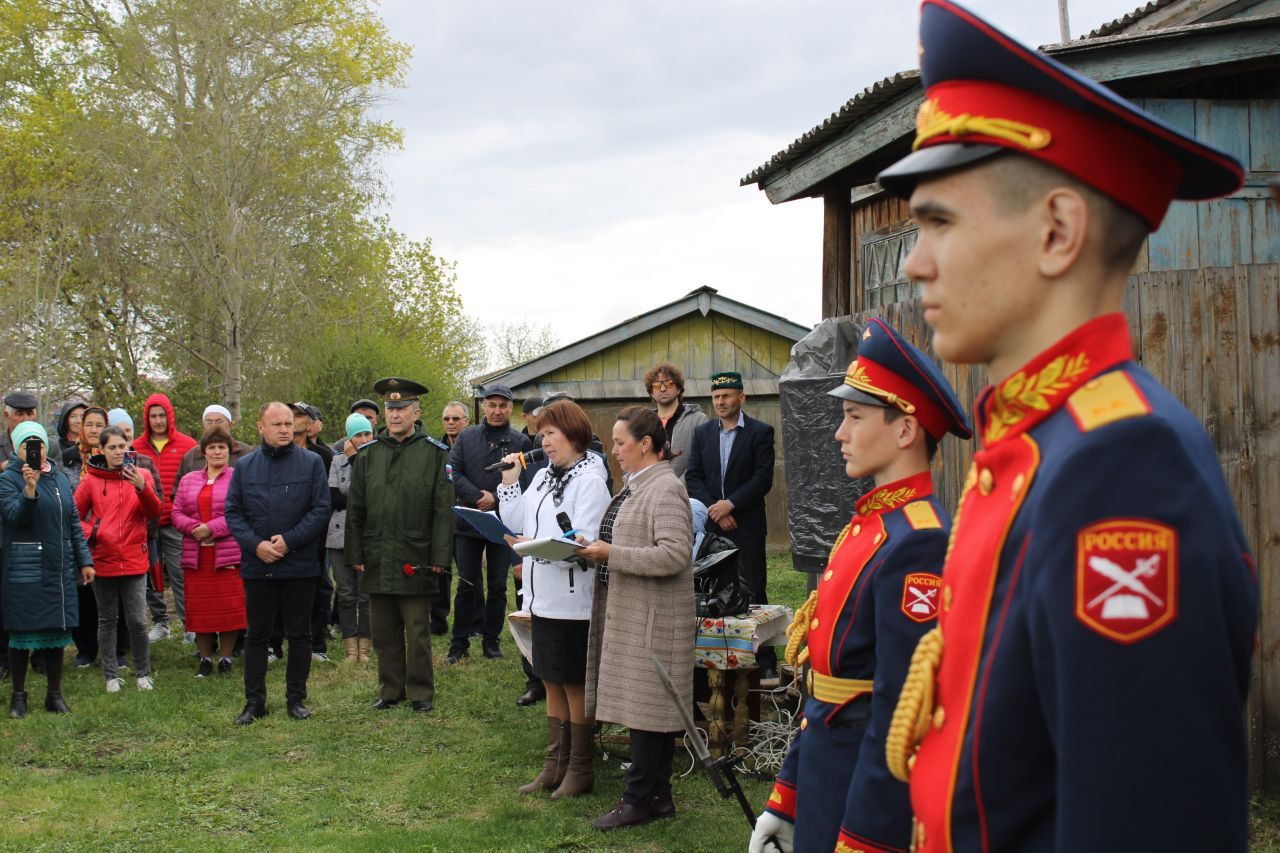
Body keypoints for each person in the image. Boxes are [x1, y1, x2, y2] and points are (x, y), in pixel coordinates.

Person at [870, 2, 1259, 850]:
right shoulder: (1042, 446)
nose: (915, 260)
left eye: (938, 220)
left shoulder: (1121, 467)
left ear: (1056, 231)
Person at [748, 319, 972, 853]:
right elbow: (823, 686)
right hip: (827, 774)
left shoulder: (918, 542)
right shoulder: (866, 526)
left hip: (863, 797)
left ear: (904, 430)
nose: (838, 433)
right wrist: (788, 796)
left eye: (853, 417)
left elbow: (901, 713)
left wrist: (866, 837)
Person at [577, 407, 694, 830]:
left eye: (620, 442)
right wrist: (594, 547)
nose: (614, 450)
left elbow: (675, 554)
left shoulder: (664, 489)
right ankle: (659, 797)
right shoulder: (637, 486)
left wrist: (610, 554)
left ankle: (637, 800)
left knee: (649, 712)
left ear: (646, 444)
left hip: (656, 617)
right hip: (636, 609)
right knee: (651, 711)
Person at [497, 397, 611, 799]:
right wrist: (510, 484)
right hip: (540, 596)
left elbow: (584, 543)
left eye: (551, 433)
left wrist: (536, 547)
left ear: (574, 433)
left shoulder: (589, 478)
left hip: (572, 599)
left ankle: (580, 769)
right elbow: (516, 524)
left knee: (574, 683)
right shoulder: (545, 476)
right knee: (550, 681)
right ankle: (553, 766)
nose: (544, 441)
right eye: (541, 434)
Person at [345, 378, 454, 713]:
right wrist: (356, 553)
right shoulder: (368, 455)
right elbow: (356, 508)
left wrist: (439, 556)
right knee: (383, 631)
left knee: (417, 630)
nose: (394, 415)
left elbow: (442, 510)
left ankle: (420, 692)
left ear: (416, 412)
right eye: (390, 409)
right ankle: (390, 689)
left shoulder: (434, 454)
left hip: (416, 555)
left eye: (401, 408)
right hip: (377, 555)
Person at [225, 402, 330, 724]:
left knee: (299, 635)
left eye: (288, 423)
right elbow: (233, 512)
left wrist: (289, 540)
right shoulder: (245, 467)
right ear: (261, 428)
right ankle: (254, 702)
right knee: (257, 635)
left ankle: (296, 699)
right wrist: (255, 545)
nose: (284, 429)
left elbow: (320, 509)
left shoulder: (311, 463)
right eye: (277, 424)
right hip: (258, 565)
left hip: (299, 563)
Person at [685, 371, 777, 676]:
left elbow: (762, 478)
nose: (720, 402)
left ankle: (762, 665)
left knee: (753, 591)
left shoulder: (760, 432)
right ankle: (716, 658)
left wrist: (731, 504)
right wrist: (716, 510)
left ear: (742, 397)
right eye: (715, 397)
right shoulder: (703, 433)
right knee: (713, 590)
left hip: (747, 525)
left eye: (726, 396)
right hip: (712, 528)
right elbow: (694, 476)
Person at [0, 421, 94, 717]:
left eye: (38, 443)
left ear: (45, 446)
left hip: (60, 569)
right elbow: (15, 517)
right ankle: (19, 698)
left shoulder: (61, 479)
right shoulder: (8, 480)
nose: (34, 450)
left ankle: (54, 696)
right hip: (25, 569)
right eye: (27, 444)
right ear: (17, 449)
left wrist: (85, 560)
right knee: (21, 634)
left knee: (56, 633)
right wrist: (30, 488)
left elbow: (73, 524)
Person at [447, 383, 531, 664]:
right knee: (467, 584)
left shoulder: (520, 442)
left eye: (503, 406)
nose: (497, 411)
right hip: (469, 522)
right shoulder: (466, 437)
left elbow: (524, 482)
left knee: (497, 586)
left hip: (502, 524)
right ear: (483, 407)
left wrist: (495, 498)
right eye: (492, 405)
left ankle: (491, 641)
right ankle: (458, 642)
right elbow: (453, 471)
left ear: (511, 408)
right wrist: (476, 496)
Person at [74, 425, 161, 693]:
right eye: (111, 447)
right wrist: (97, 532)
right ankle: (111, 675)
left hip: (135, 558)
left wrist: (142, 487)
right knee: (107, 619)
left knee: (136, 620)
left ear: (129, 446)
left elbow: (156, 511)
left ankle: (143, 673)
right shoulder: (91, 479)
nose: (117, 452)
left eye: (122, 446)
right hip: (104, 559)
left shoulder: (143, 474)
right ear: (101, 450)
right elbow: (74, 517)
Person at [171, 427, 246, 678]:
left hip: (226, 554)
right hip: (196, 555)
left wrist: (211, 528)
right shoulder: (188, 479)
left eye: (221, 447)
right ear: (203, 452)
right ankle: (204, 659)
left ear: (229, 451)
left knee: (228, 610)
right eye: (212, 447)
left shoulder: (238, 478)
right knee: (200, 611)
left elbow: (240, 513)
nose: (217, 451)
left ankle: (225, 658)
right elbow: (176, 512)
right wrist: (194, 529)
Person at [133, 392, 197, 642]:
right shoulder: (135, 448)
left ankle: (189, 624)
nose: (157, 421)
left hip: (175, 522)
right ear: (146, 419)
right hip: (145, 523)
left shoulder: (187, 444)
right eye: (153, 416)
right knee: (151, 574)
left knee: (182, 573)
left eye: (161, 415)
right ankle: (160, 622)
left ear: (169, 416)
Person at [327, 413, 375, 663]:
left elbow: (374, 496)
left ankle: (365, 649)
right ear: (348, 438)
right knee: (345, 593)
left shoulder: (378, 459)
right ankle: (350, 648)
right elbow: (333, 498)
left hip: (369, 536)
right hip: (339, 535)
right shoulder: (336, 461)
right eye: (358, 435)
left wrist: (357, 461)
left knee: (366, 593)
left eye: (367, 433)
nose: (364, 438)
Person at [430, 400, 470, 636]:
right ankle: (438, 620)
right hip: (442, 520)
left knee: (468, 574)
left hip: (465, 517)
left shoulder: (471, 447)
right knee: (440, 573)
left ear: (466, 421)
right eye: (447, 419)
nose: (451, 423)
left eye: (456, 418)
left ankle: (473, 622)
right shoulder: (435, 449)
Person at [644, 362, 707, 480]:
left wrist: (676, 488)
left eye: (669, 383)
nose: (663, 388)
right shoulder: (644, 422)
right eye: (657, 385)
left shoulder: (698, 420)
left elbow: (702, 462)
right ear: (651, 392)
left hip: (685, 494)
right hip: (649, 492)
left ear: (678, 388)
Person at [172, 405, 254, 492]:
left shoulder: (247, 452)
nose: (214, 426)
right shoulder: (191, 455)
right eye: (209, 422)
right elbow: (179, 492)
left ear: (230, 425)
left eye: (219, 421)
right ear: (203, 425)